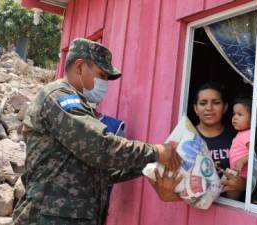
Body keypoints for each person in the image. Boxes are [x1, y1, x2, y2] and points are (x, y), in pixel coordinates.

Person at [12, 38, 182, 225]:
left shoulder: (81, 107)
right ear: (79, 67)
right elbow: (99, 147)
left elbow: (102, 171)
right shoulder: (59, 97)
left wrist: (151, 165)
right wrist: (156, 152)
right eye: (102, 75)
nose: (105, 83)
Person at [227, 97, 252, 200]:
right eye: (234, 114)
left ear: (251, 118)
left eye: (240, 114)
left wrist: (242, 160)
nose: (235, 118)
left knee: (232, 197)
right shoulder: (240, 133)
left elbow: (255, 153)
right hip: (237, 173)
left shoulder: (248, 134)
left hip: (243, 175)